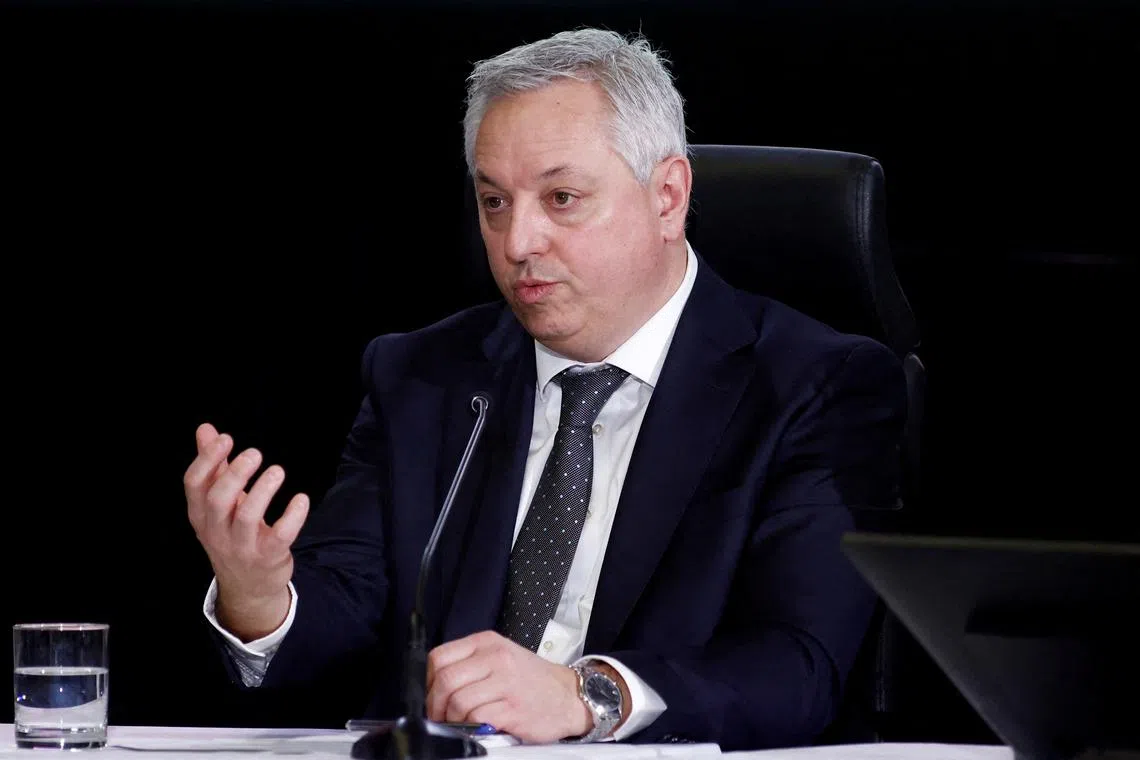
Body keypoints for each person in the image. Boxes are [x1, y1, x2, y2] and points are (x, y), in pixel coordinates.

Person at [182, 27, 907, 752]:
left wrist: (587, 695)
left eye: (561, 198)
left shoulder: (813, 386)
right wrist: (261, 597)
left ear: (668, 196)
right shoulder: (424, 376)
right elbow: (346, 613)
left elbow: (798, 665)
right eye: (494, 202)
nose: (518, 241)